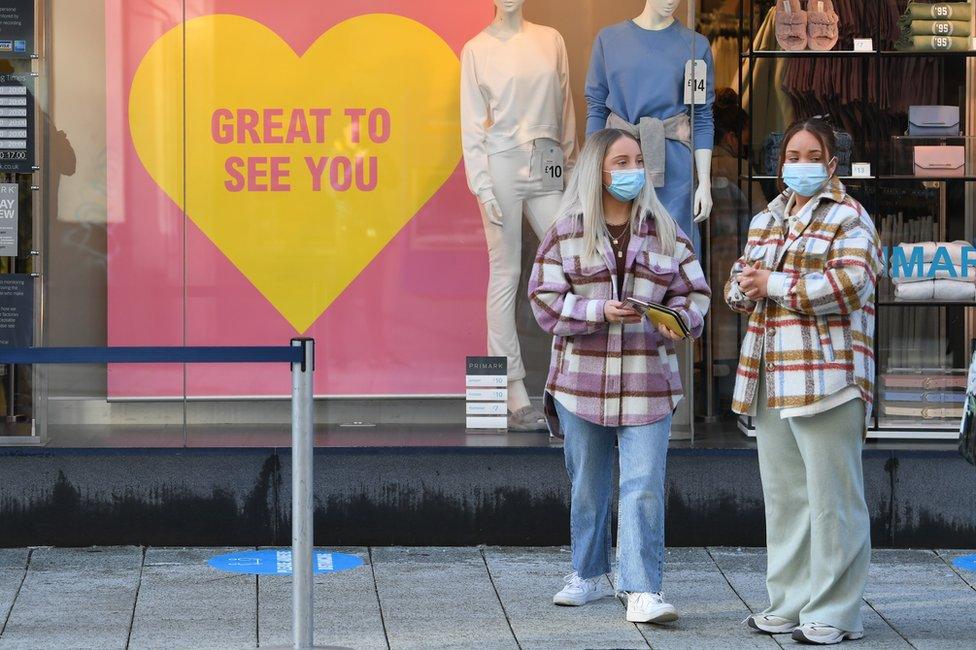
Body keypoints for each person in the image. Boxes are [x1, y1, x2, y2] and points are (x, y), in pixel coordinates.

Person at [528, 128, 710, 624]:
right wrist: (596, 311)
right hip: (580, 382)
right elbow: (544, 299)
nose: (631, 171)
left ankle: (642, 588)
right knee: (587, 482)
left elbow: (694, 295)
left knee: (644, 482)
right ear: (597, 170)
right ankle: (586, 574)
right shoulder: (566, 231)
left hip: (649, 379)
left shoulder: (665, 229)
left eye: (636, 161)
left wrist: (676, 321)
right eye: (620, 162)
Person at [725, 117, 881, 645]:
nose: (801, 164)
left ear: (832, 163)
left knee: (833, 499)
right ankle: (789, 602)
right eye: (792, 155)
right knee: (787, 497)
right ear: (779, 163)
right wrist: (745, 287)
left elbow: (851, 284)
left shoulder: (849, 216)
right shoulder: (768, 218)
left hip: (829, 376)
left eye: (813, 155)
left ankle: (835, 613)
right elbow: (738, 286)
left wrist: (773, 282)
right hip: (771, 373)